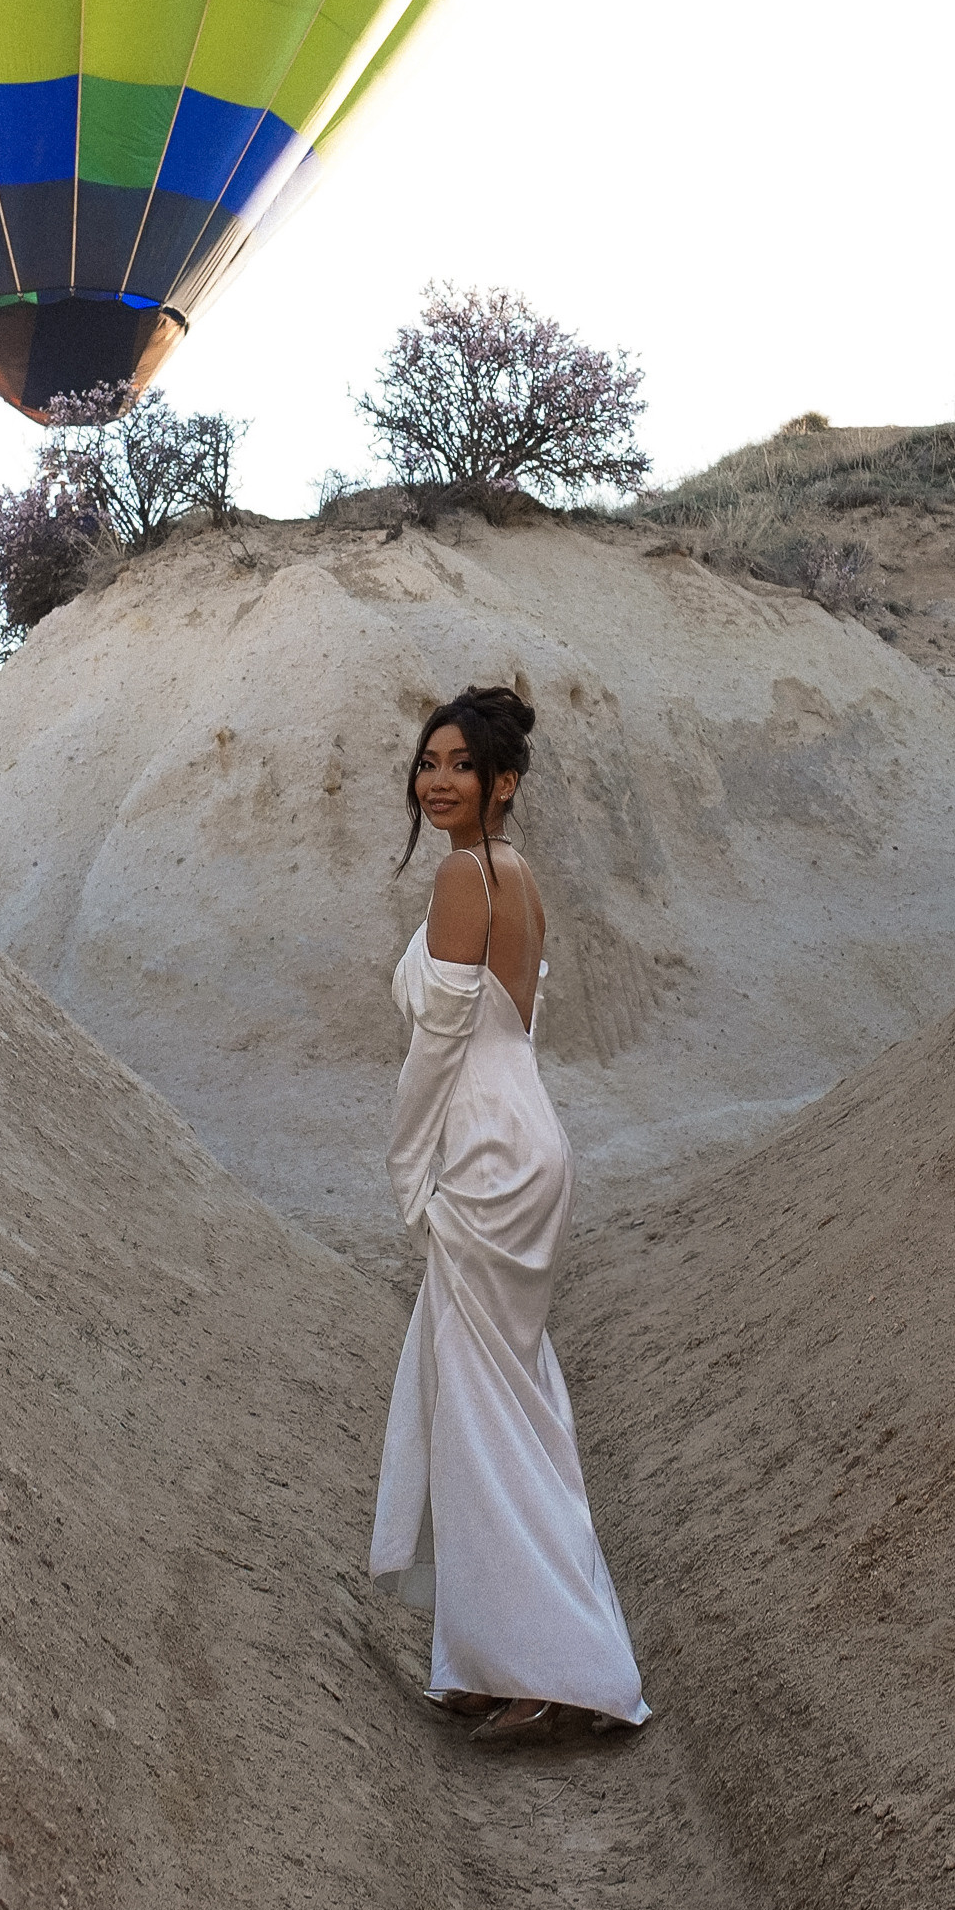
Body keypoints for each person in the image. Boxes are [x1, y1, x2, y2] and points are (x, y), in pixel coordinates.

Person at [369, 685, 649, 1750]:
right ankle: (495, 1656)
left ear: (503, 783)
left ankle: (551, 1666)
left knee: (487, 1411)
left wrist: (408, 1171)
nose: (434, 780)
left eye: (458, 764)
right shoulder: (514, 872)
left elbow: (438, 1046)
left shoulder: (461, 875)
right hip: (525, 1135)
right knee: (498, 1400)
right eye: (426, 761)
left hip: (487, 1149)